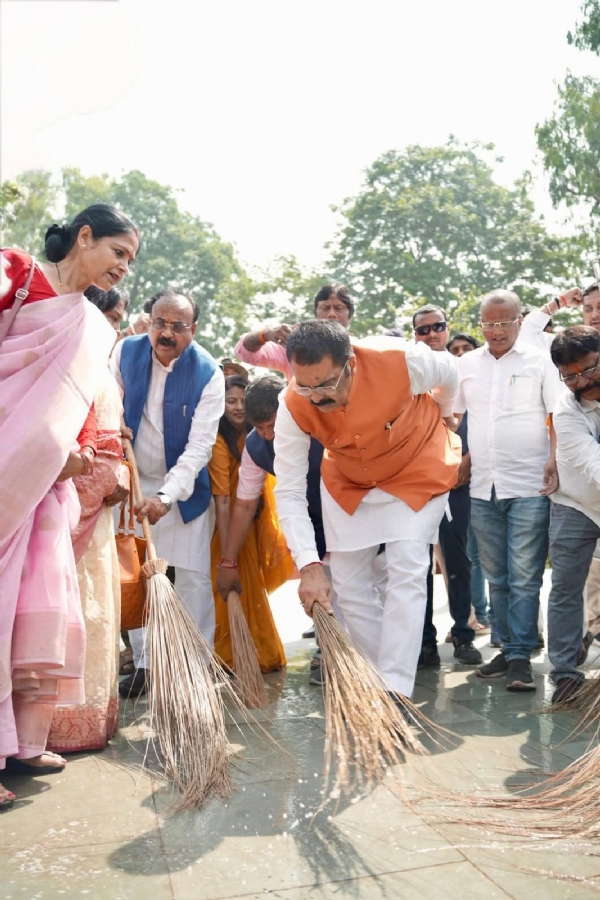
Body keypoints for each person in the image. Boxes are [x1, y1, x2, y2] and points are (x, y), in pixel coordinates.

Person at [0, 203, 138, 810]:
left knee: (36, 607)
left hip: (47, 487)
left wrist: (75, 452)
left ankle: (24, 740)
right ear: (84, 237)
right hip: (6, 471)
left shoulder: (90, 324)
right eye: (117, 253)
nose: (122, 270)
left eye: (129, 261)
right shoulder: (15, 275)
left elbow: (74, 406)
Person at [273, 321, 461, 703]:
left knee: (407, 565)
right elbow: (289, 489)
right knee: (346, 582)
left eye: (325, 383)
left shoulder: (403, 360)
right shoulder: (292, 404)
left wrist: (443, 411)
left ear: (351, 363)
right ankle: (379, 677)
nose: (315, 397)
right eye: (305, 385)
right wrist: (309, 565)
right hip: (349, 479)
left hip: (417, 465)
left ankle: (395, 691)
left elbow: (450, 372)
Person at [111, 287, 225, 697]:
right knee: (138, 575)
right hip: (133, 483)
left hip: (183, 490)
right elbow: (108, 404)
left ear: (193, 330)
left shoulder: (209, 373)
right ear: (149, 320)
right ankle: (144, 662)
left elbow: (199, 448)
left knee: (193, 578)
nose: (167, 333)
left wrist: (166, 497)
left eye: (178, 326)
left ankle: (197, 662)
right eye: (160, 322)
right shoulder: (124, 353)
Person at [456, 290, 559, 692]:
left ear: (521, 320)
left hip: (530, 483)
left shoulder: (540, 361)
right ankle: (508, 646)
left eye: (504, 322)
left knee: (525, 577)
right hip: (483, 485)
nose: (496, 331)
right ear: (480, 323)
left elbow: (555, 415)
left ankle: (519, 656)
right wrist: (463, 457)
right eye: (489, 323)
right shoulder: (466, 365)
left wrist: (553, 460)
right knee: (497, 577)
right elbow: (460, 417)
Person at [47, 287, 130, 753]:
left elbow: (110, 439)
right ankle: (50, 726)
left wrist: (114, 474)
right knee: (65, 614)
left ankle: (89, 718)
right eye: (107, 318)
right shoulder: (65, 367)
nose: (112, 329)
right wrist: (99, 481)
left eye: (118, 319)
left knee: (96, 614)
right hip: (60, 512)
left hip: (92, 515)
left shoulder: (102, 372)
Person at [410, 306, 482, 667]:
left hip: (456, 483)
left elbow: (470, 422)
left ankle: (464, 636)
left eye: (437, 327)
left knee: (458, 563)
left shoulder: (465, 370)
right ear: (415, 336)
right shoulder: (407, 374)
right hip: (416, 487)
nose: (431, 334)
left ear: (447, 329)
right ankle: (424, 643)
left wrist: (464, 460)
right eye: (423, 330)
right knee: (416, 567)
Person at [209, 376, 288, 673]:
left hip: (250, 523)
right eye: (231, 401)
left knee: (253, 590)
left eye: (242, 401)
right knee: (231, 588)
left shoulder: (257, 434)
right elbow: (227, 501)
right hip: (229, 527)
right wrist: (230, 554)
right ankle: (230, 656)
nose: (238, 407)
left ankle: (259, 652)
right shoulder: (221, 441)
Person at [544, 326, 600, 703]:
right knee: (565, 587)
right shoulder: (566, 410)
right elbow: (592, 463)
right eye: (570, 376)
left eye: (589, 369)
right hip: (576, 503)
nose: (581, 381)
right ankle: (564, 672)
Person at [233, 284, 355, 378]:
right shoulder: (297, 347)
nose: (331, 314)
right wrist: (265, 334)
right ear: (315, 314)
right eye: (325, 308)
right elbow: (245, 354)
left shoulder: (361, 351)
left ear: (350, 316)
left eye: (338, 308)